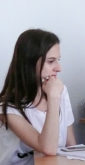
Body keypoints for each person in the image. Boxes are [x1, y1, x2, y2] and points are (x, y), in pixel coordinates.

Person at [0, 29, 76, 165]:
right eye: (51, 61)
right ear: (30, 62)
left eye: (58, 60)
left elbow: (71, 146)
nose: (59, 68)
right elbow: (48, 148)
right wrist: (53, 98)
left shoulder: (60, 91)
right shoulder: (8, 107)